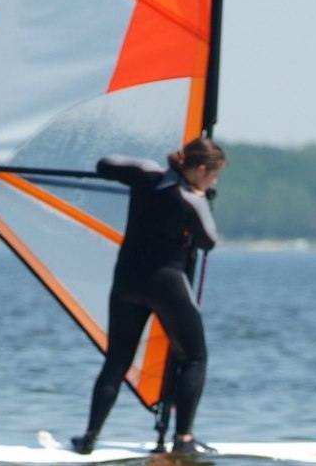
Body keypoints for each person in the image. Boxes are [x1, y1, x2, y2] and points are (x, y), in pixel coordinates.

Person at [69, 137, 225, 455]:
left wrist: (151, 168)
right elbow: (208, 241)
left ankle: (89, 437)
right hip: (166, 285)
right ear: (199, 169)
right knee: (194, 357)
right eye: (213, 175)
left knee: (117, 361)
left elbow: (105, 163)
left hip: (126, 281)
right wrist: (201, 197)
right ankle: (183, 440)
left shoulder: (146, 174)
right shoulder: (189, 199)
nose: (215, 181)